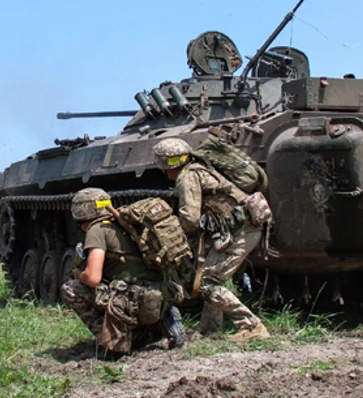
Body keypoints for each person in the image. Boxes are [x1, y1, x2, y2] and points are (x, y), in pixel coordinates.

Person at [152, 137, 271, 342]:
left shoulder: (187, 176)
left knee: (208, 282)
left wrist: (168, 235)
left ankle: (251, 326)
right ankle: (209, 328)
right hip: (244, 227)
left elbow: (190, 219)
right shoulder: (201, 168)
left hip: (241, 231)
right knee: (210, 276)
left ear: (163, 164)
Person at [60, 187, 185, 356]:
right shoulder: (127, 223)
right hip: (162, 291)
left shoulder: (96, 230)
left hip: (131, 299)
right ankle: (164, 317)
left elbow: (93, 278)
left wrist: (77, 274)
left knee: (71, 289)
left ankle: (114, 339)